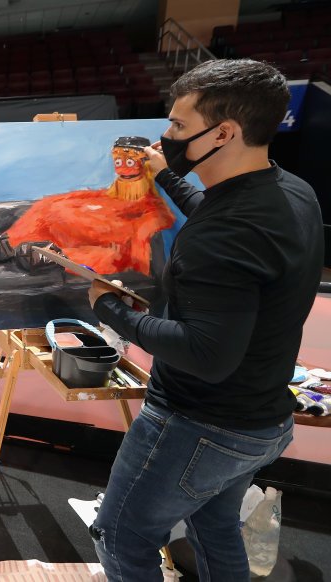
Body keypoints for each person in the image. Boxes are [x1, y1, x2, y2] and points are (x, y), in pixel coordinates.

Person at [87, 59, 323, 581]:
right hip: (260, 422)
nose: (164, 136)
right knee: (215, 527)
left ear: (225, 132)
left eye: (176, 126)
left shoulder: (229, 232)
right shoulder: (289, 191)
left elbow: (205, 355)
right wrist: (166, 175)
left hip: (199, 424)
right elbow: (218, 216)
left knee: (122, 538)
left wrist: (110, 309)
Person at [0, 136, 175, 276]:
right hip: (93, 232)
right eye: (118, 160)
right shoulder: (116, 190)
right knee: (49, 208)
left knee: (56, 224)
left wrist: (133, 233)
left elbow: (159, 216)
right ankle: (0, 248)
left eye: (128, 162)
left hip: (108, 241)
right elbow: (105, 199)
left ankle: (7, 249)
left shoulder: (146, 195)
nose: (121, 167)